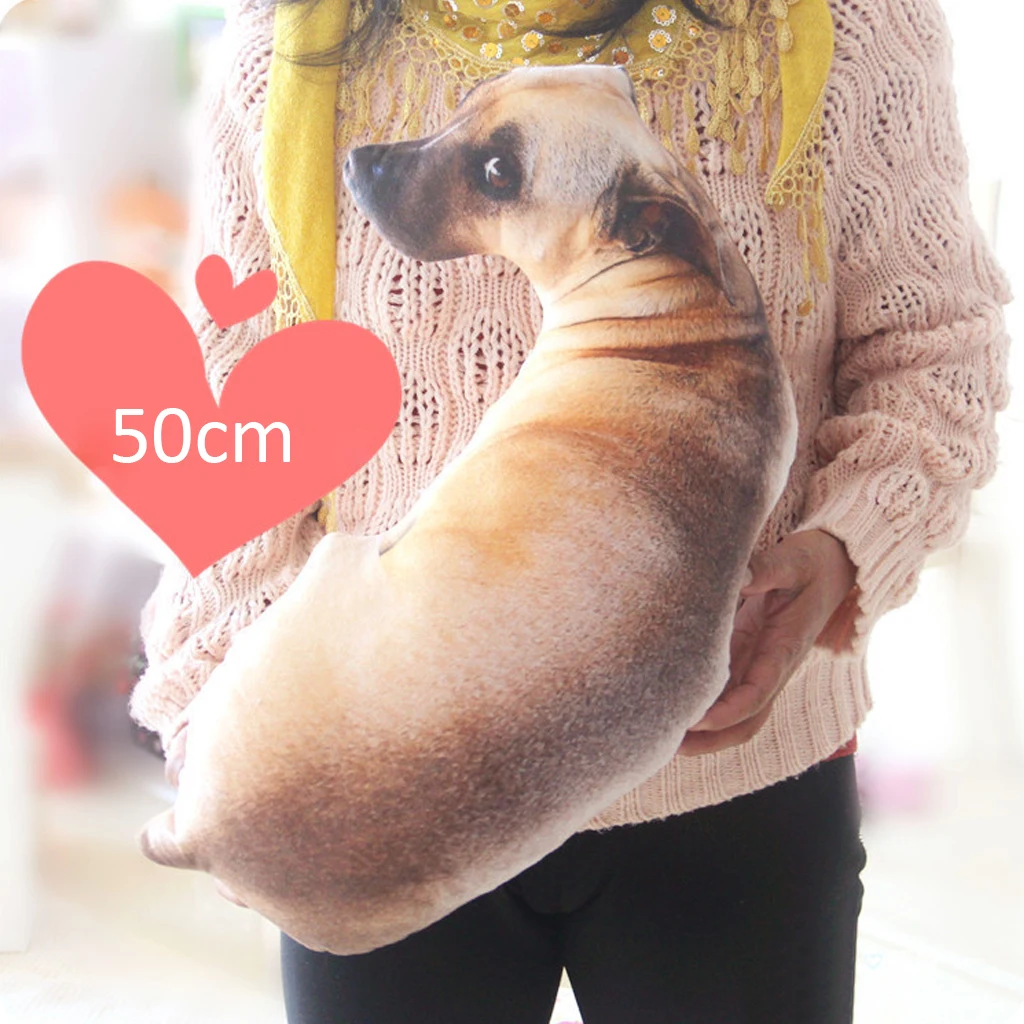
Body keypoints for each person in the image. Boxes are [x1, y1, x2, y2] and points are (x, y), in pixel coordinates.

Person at [129, 0, 1011, 1020]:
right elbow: (234, 423)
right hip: (375, 791)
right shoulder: (290, 46)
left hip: (733, 794)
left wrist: (840, 552)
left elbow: (934, 353)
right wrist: (212, 729)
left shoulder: (842, 26)